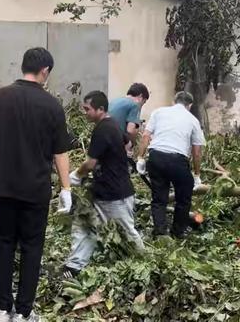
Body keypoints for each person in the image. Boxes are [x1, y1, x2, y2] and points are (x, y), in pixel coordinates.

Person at [0, 48, 72, 322]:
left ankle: (3, 309)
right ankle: (24, 312)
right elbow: (61, 152)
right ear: (45, 71)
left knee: (3, 244)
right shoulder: (52, 106)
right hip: (36, 191)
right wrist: (66, 188)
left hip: (3, 188)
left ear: (23, 66)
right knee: (31, 248)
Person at [63, 90, 144, 278]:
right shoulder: (112, 124)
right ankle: (74, 266)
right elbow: (125, 141)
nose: (85, 112)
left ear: (100, 109)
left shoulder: (103, 129)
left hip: (116, 194)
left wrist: (75, 175)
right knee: (84, 224)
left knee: (127, 234)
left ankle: (146, 265)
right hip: (102, 191)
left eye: (87, 109)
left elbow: (90, 163)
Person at [136, 91, 205, 239]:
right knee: (183, 198)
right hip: (178, 161)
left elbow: (146, 136)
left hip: (156, 157)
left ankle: (160, 233)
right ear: (190, 105)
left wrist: (140, 158)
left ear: (174, 101)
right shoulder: (193, 120)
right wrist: (197, 174)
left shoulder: (158, 112)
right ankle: (178, 232)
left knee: (159, 198)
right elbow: (197, 152)